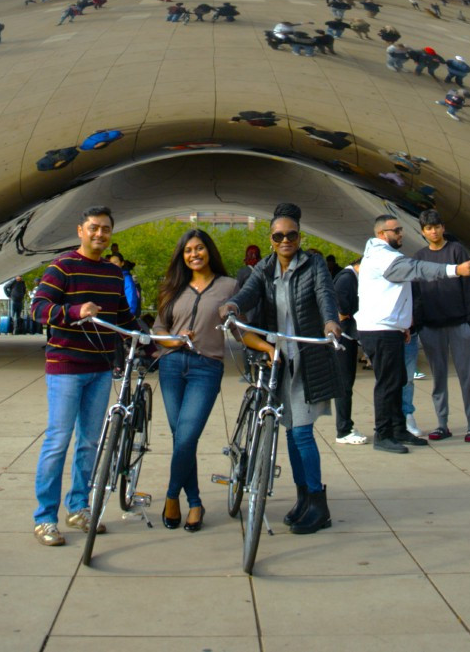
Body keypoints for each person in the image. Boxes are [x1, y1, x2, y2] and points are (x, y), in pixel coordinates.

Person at [223, 203, 342, 534]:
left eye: (291, 235)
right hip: (279, 359)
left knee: (302, 431)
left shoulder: (314, 263)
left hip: (308, 357)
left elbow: (325, 295)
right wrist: (233, 305)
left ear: (299, 237)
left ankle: (319, 503)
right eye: (279, 236)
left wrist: (331, 322)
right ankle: (303, 497)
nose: (285, 240)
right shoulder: (264, 268)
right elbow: (248, 293)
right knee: (289, 430)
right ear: (271, 239)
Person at [30, 206, 138, 547]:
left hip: (100, 368)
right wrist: (75, 311)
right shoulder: (62, 266)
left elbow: (123, 318)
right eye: (93, 228)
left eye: (105, 229)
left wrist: (155, 341)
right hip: (66, 368)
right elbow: (38, 309)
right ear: (80, 230)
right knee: (57, 441)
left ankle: (78, 507)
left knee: (90, 442)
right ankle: (45, 518)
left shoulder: (112, 273)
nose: (99, 235)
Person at [355, 214, 469, 454]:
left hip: (390, 328)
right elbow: (417, 269)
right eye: (396, 230)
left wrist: (403, 325)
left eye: (400, 229)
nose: (401, 233)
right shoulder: (382, 257)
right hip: (380, 330)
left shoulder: (383, 255)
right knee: (387, 384)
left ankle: (398, 429)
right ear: (381, 234)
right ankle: (383, 434)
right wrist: (454, 269)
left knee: (396, 382)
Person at [151, 229, 235, 532]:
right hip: (171, 366)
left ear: (209, 251)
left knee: (186, 437)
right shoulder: (172, 287)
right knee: (180, 439)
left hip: (206, 368)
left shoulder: (229, 286)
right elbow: (158, 329)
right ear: (181, 256)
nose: (194, 254)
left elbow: (239, 327)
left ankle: (172, 496)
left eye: (199, 248)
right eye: (188, 250)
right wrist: (173, 341)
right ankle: (196, 502)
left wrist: (267, 348)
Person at [410, 210, 470, 442]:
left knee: (467, 375)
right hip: (431, 326)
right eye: (428, 228)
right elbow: (417, 292)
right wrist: (419, 323)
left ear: (443, 227)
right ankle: (442, 423)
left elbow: (469, 286)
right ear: (423, 232)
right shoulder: (419, 256)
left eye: (437, 226)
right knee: (438, 376)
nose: (433, 231)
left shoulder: (456, 250)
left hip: (460, 323)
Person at [331, 258, 367, 445]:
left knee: (346, 384)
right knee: (344, 385)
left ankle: (345, 426)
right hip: (343, 337)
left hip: (346, 336)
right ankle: (343, 430)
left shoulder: (350, 277)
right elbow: (342, 310)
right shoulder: (347, 279)